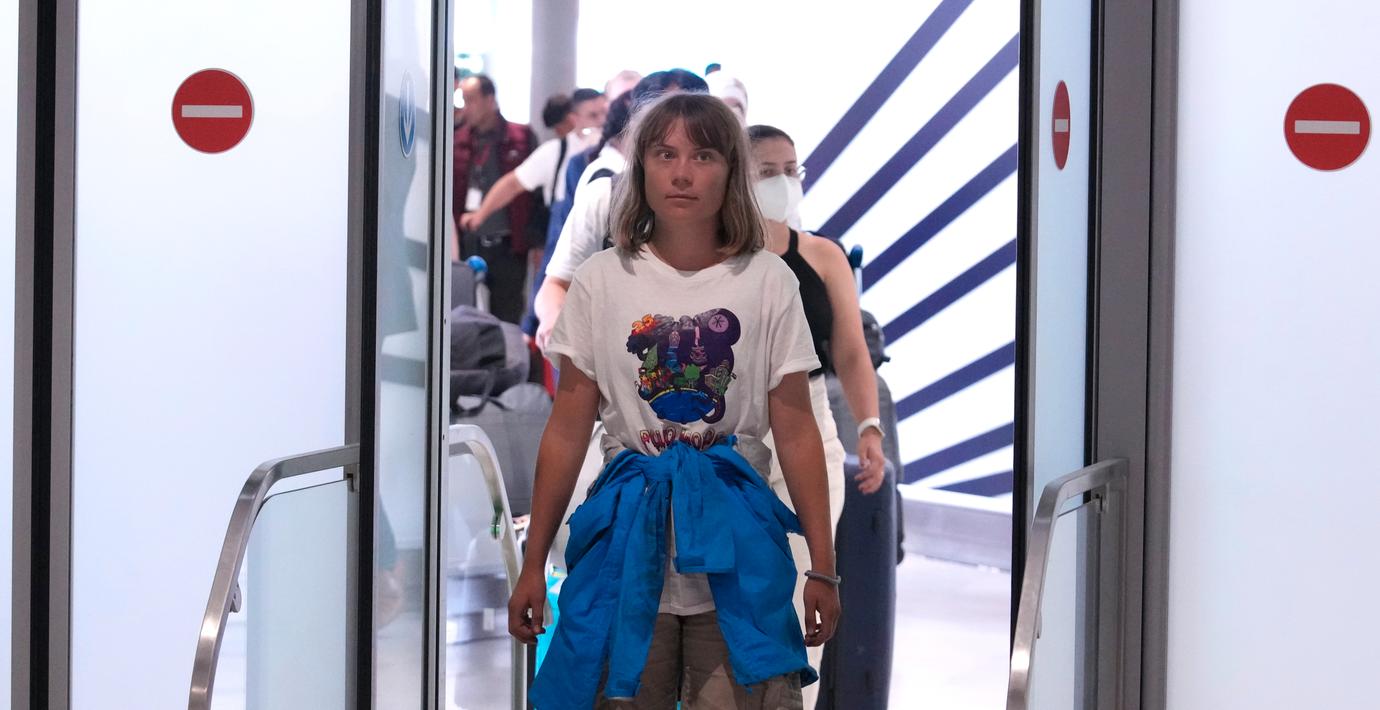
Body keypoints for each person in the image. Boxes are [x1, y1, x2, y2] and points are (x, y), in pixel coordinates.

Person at [509, 93, 840, 709]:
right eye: (665, 154)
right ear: (641, 167)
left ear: (731, 171)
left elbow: (797, 430)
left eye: (703, 155)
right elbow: (567, 428)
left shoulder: (768, 280)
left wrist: (822, 564)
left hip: (737, 547)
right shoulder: (601, 279)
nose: (682, 173)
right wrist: (533, 563)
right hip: (624, 545)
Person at [750, 124, 887, 708]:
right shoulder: (715, 257)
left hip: (810, 424)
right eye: (767, 171)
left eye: (792, 169)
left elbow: (851, 352)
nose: (783, 181)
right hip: (735, 430)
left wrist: (869, 426)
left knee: (806, 584)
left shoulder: (823, 256)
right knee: (729, 595)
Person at [534, 69, 709, 350]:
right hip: (615, 355)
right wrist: (554, 321)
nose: (679, 128)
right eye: (665, 115)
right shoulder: (606, 194)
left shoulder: (728, 202)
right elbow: (556, 284)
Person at [452, 73, 540, 324]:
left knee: (508, 315)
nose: (466, 107)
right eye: (463, 100)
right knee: (464, 313)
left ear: (489, 99)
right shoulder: (456, 139)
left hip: (508, 246)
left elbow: (534, 195)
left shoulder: (521, 137)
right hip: (468, 242)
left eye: (471, 100)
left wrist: (536, 241)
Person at [460, 88, 606, 237]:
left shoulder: (614, 147)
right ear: (574, 118)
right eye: (593, 115)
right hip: (568, 236)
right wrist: (480, 215)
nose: (602, 121)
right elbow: (512, 184)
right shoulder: (555, 151)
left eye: (605, 113)